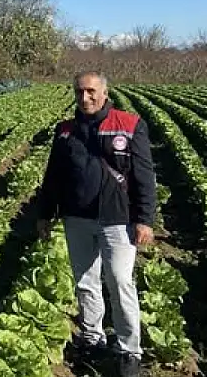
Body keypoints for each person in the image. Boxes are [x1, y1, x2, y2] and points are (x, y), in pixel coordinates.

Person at [38, 71, 155, 377]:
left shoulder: (129, 125)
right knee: (86, 281)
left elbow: (144, 176)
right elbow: (54, 177)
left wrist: (145, 219)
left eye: (91, 91)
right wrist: (45, 213)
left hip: (118, 220)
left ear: (104, 93)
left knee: (119, 281)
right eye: (79, 92)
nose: (84, 97)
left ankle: (130, 349)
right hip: (77, 218)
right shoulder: (65, 131)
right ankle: (92, 337)